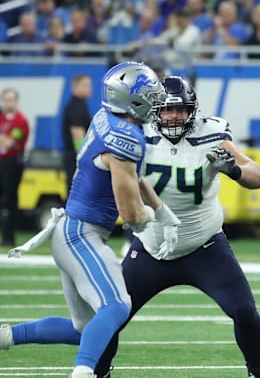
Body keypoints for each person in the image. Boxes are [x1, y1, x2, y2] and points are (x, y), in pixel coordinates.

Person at [0, 61, 180, 378]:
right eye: (150, 95)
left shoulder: (107, 118)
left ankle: (6, 337)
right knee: (116, 307)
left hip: (69, 230)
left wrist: (166, 215)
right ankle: (83, 374)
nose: (156, 102)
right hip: (81, 234)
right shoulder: (125, 138)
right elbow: (131, 215)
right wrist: (151, 218)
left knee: (84, 328)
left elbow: (134, 179)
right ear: (134, 99)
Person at [95, 76, 260, 378]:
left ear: (193, 111)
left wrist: (234, 169)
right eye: (167, 110)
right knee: (111, 316)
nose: (175, 117)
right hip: (152, 247)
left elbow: (258, 176)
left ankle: (258, 373)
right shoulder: (138, 133)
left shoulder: (211, 133)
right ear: (154, 111)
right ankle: (98, 373)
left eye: (181, 110)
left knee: (244, 311)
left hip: (204, 246)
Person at [0, 88, 29, 247]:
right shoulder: (1, 118)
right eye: (5, 99)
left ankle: (8, 237)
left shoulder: (20, 121)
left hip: (11, 161)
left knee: (9, 199)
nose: (8, 103)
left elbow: (10, 142)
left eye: (11, 100)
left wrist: (5, 139)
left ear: (16, 101)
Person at [62, 74, 93, 196]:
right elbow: (77, 136)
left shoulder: (81, 105)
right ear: (75, 87)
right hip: (75, 159)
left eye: (90, 85)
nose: (89, 88)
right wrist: (83, 159)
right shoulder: (76, 107)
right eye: (85, 85)